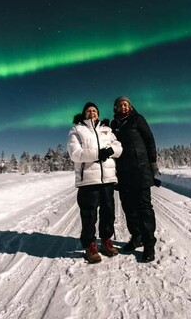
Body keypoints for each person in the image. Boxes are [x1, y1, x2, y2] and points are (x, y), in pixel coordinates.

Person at [67, 102, 123, 264]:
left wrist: (111, 150)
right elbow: (76, 154)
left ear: (98, 114)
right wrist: (99, 153)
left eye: (94, 110)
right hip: (88, 181)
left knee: (108, 212)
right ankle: (90, 244)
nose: (92, 113)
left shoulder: (107, 129)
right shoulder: (77, 130)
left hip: (107, 179)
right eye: (89, 111)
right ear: (84, 114)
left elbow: (119, 147)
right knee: (89, 214)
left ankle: (106, 240)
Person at [110, 96, 159, 263]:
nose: (123, 107)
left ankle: (149, 244)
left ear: (130, 106)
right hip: (123, 173)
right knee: (128, 207)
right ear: (115, 108)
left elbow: (149, 140)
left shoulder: (138, 119)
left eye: (126, 104)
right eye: (120, 105)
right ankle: (136, 237)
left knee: (144, 207)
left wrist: (152, 163)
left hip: (141, 169)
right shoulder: (114, 125)